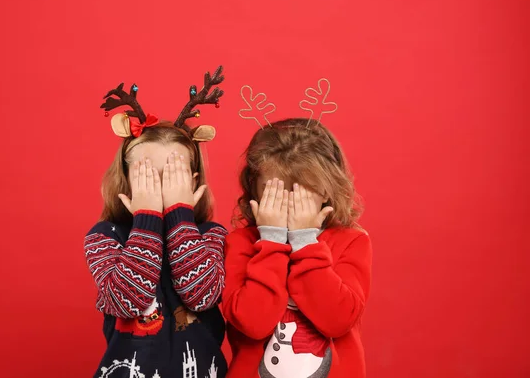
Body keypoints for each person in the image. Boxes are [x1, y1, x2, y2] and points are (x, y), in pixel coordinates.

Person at [84, 67, 227, 378]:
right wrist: (146, 218)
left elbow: (201, 295)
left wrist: (180, 214)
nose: (160, 190)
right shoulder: (105, 236)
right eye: (147, 177)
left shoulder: (212, 235)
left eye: (172, 178)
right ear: (125, 180)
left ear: (192, 181)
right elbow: (128, 302)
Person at [222, 118, 372, 378]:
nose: (289, 204)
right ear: (254, 192)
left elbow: (337, 320)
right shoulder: (241, 242)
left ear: (327, 189)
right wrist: (271, 241)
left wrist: (304, 242)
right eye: (275, 192)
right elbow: (253, 324)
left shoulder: (352, 241)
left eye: (301, 192)